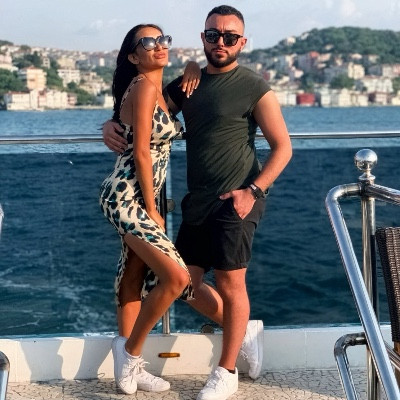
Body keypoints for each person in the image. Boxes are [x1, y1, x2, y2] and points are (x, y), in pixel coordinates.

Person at [103, 6, 292, 400]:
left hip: (237, 198)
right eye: (212, 35)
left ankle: (226, 372)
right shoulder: (187, 84)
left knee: (230, 283)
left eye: (229, 36)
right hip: (197, 202)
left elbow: (282, 148)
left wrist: (253, 191)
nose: (220, 42)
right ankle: (245, 332)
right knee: (184, 285)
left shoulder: (254, 86)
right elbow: (144, 108)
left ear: (242, 42)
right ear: (203, 37)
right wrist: (109, 124)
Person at [99, 23, 200, 395]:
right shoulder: (142, 87)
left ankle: (129, 363)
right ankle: (130, 355)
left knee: (134, 272)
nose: (159, 45)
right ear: (133, 55)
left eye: (163, 39)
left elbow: (187, 83)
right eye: (148, 41)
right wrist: (153, 209)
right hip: (127, 196)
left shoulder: (158, 91)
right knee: (176, 277)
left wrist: (192, 65)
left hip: (139, 196)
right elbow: (141, 151)